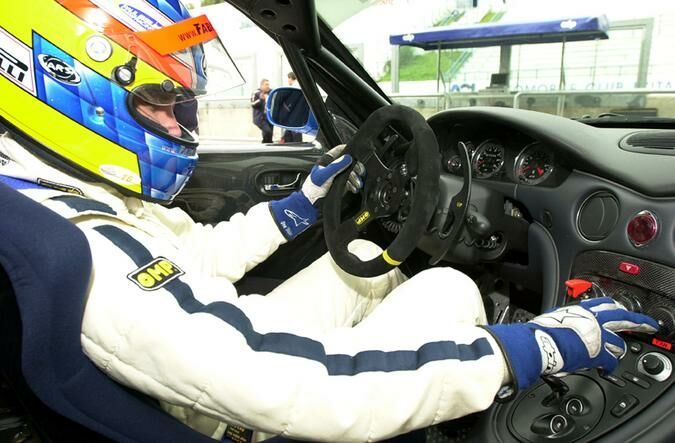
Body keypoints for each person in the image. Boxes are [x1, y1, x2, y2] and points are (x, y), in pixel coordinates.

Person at [0, 1, 659, 442]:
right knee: (449, 288)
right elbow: (319, 386)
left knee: (367, 254)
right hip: (234, 416)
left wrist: (296, 204)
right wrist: (533, 346)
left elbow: (189, 259)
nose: (179, 125)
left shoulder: (50, 196)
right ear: (59, 80)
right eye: (159, 104)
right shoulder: (93, 255)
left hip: (191, 365)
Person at [282, 72, 303, 143]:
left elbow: (290, 103)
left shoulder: (294, 87)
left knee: (295, 136)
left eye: (288, 79)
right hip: (296, 116)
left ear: (290, 78)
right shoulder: (299, 86)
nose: (288, 81)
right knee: (289, 134)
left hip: (294, 116)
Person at [251, 78, 273, 143]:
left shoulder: (271, 92)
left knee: (269, 134)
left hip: (269, 117)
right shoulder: (256, 93)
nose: (268, 86)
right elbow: (253, 104)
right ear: (261, 85)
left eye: (268, 84)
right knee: (267, 131)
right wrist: (260, 99)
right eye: (266, 85)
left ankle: (267, 147)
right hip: (260, 118)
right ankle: (266, 145)